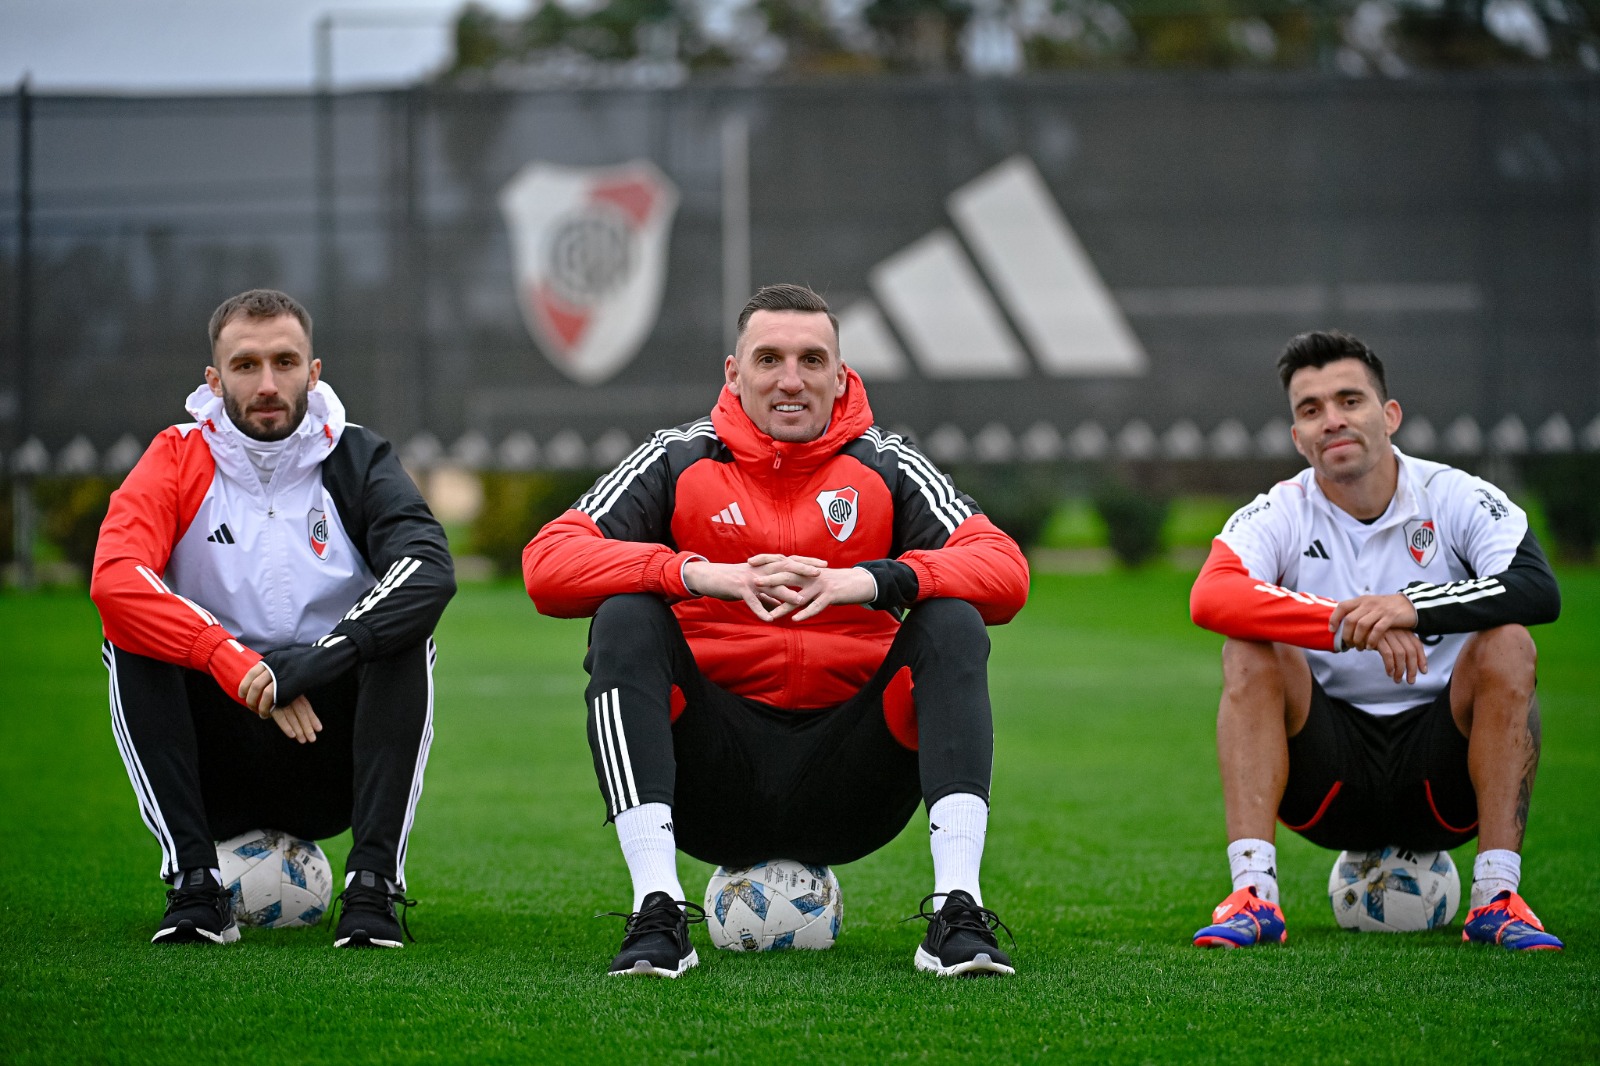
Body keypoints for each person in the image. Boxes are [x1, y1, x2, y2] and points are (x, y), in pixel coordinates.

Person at [523, 283, 1030, 977]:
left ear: (842, 375)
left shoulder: (885, 462)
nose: (791, 380)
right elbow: (547, 564)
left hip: (854, 784)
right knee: (625, 615)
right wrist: (694, 573)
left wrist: (872, 580)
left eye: (812, 360)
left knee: (952, 621)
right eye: (769, 359)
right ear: (734, 375)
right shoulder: (679, 459)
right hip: (710, 782)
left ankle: (957, 910)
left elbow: (1005, 571)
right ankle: (657, 910)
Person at [90, 289, 456, 948]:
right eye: (245, 365)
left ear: (313, 373)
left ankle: (373, 887)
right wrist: (238, 665)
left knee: (406, 632)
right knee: (129, 632)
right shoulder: (176, 457)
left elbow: (428, 569)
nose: (267, 383)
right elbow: (115, 579)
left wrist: (318, 660)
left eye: (285, 362)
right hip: (218, 758)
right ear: (214, 378)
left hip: (327, 745)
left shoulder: (357, 457)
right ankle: (196, 886)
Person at [1187, 330, 1563, 951]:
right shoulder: (1282, 508)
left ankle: (1498, 899)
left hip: (1446, 783)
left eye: (1349, 400)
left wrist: (1410, 608)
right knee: (1247, 644)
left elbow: (1535, 587)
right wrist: (1349, 623)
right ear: (1297, 438)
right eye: (1311, 410)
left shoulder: (1453, 493)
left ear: (1389, 415)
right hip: (1325, 786)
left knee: (1509, 643)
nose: (1331, 421)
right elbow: (1211, 595)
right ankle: (1252, 898)